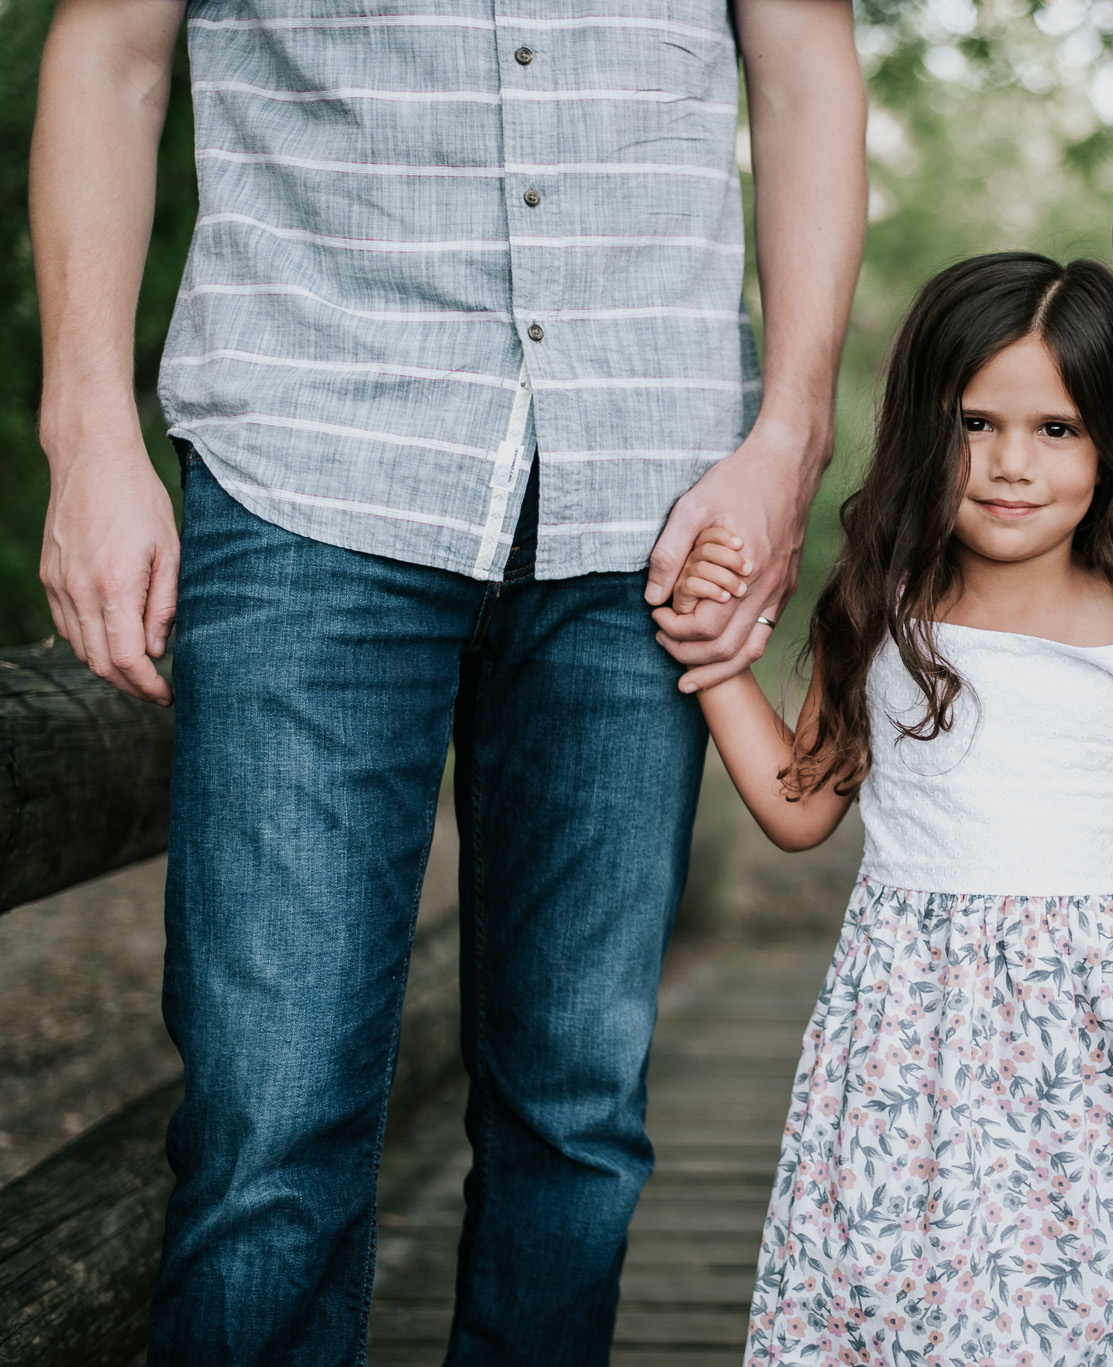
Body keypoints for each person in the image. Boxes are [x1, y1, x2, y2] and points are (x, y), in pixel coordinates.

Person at [30, 0, 864, 1358]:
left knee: (576, 1113)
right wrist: (88, 438)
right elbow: (111, 45)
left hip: (645, 487)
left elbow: (808, 70)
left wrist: (789, 435)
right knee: (270, 1117)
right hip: (306, 453)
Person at [676, 253, 1113, 1366]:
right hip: (907, 1035)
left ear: (1110, 440)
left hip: (1101, 1034)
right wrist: (713, 662)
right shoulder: (883, 600)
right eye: (974, 422)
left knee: (1104, 1301)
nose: (1008, 464)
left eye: (1055, 429)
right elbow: (799, 807)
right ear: (925, 429)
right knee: (905, 1290)